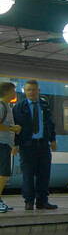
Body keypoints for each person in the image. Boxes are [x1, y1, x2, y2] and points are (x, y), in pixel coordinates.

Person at [13, 80, 58, 210]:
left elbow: (50, 124)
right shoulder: (19, 107)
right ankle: (29, 202)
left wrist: (53, 139)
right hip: (27, 146)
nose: (31, 92)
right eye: (28, 90)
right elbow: (16, 127)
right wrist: (15, 144)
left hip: (43, 145)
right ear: (25, 92)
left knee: (44, 175)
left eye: (34, 90)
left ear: (38, 91)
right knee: (28, 175)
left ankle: (42, 201)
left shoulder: (45, 106)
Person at [0, 81, 22, 212]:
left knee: (3, 173)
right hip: (1, 144)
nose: (15, 93)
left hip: (5, 144)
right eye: (13, 91)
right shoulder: (1, 106)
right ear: (8, 92)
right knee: (3, 173)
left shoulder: (6, 107)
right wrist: (12, 128)